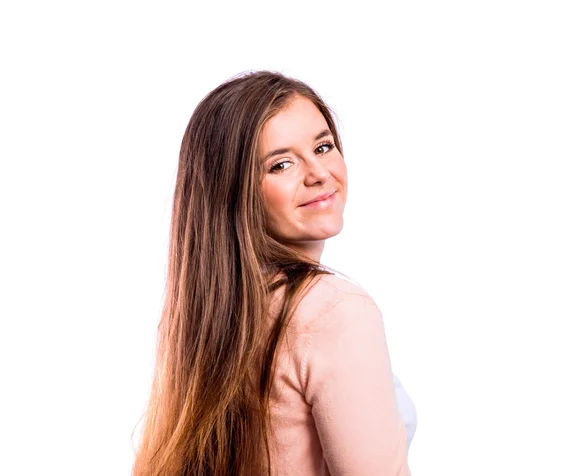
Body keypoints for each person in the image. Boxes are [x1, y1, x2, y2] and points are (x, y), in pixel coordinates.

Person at [131, 70, 415, 476]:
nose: (318, 173)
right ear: (235, 191)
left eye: (323, 146)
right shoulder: (334, 311)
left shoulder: (206, 321)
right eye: (280, 164)